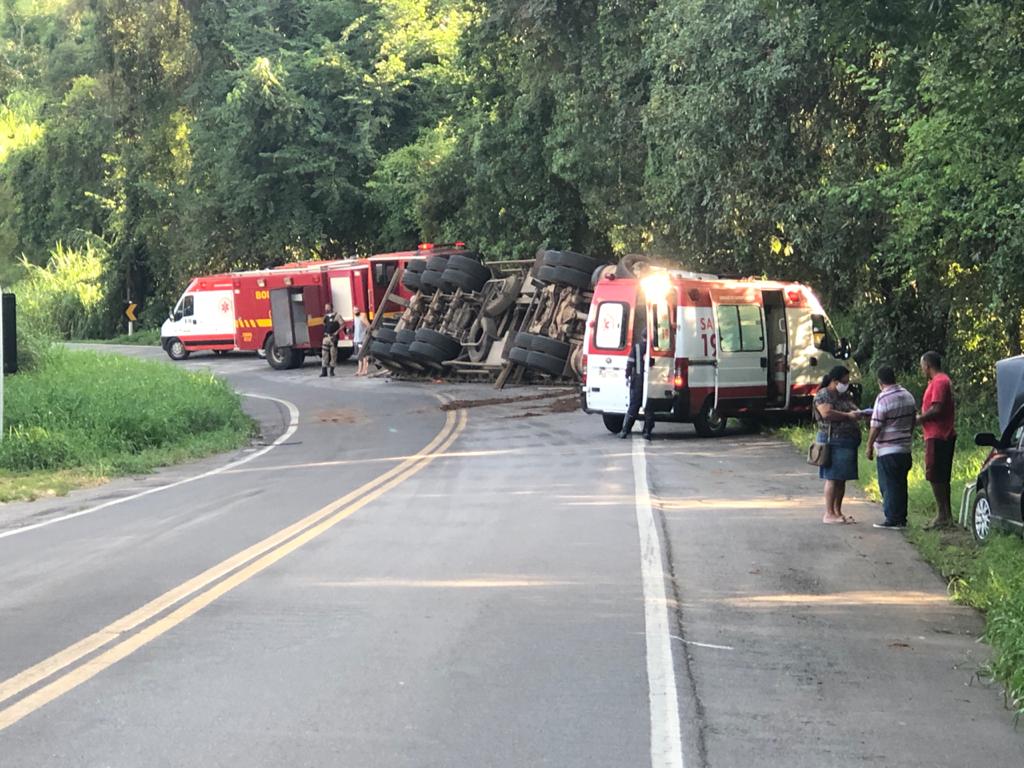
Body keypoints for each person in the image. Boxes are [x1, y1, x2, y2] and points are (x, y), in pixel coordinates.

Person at [866, 365, 917, 529]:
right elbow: (912, 420)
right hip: (904, 448)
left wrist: (869, 446)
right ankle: (901, 517)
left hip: (888, 449)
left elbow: (876, 425)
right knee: (900, 484)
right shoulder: (908, 395)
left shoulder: (883, 398)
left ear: (880, 382)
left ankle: (893, 519)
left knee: (888, 485)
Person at [813, 365, 865, 524]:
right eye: (844, 381)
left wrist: (860, 413)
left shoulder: (845, 396)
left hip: (847, 441)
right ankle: (829, 513)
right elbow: (826, 413)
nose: (846, 384)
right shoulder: (823, 395)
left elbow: (853, 409)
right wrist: (848, 416)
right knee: (832, 477)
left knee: (841, 478)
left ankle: (838, 511)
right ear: (834, 381)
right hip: (832, 440)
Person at [918, 351, 956, 528]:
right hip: (937, 433)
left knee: (935, 476)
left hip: (939, 433)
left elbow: (937, 408)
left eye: (922, 366)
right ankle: (946, 515)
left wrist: (919, 419)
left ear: (927, 365)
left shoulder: (940, 381)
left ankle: (942, 514)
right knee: (940, 475)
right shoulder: (936, 381)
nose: (922, 369)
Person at [619, 328, 656, 440]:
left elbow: (630, 362)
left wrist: (627, 375)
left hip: (638, 380)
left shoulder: (636, 347)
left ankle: (625, 431)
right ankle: (647, 432)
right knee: (649, 407)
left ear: (642, 336)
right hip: (650, 381)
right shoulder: (654, 349)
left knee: (634, 406)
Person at [320, 304, 341, 378]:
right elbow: (323, 323)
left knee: (333, 354)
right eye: (325, 307)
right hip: (326, 337)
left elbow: (343, 324)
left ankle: (332, 371)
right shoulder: (325, 316)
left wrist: (336, 332)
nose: (326, 309)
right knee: (324, 354)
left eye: (328, 307)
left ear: (331, 307)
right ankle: (324, 371)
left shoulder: (336, 315)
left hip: (333, 338)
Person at [353, 308, 370, 376]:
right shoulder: (355, 318)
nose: (356, 311)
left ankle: (364, 370)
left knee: (364, 355)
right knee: (359, 356)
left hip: (362, 339)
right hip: (356, 339)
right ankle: (359, 370)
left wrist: (366, 336)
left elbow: (368, 326)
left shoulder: (362, 317)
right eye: (355, 310)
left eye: (357, 310)